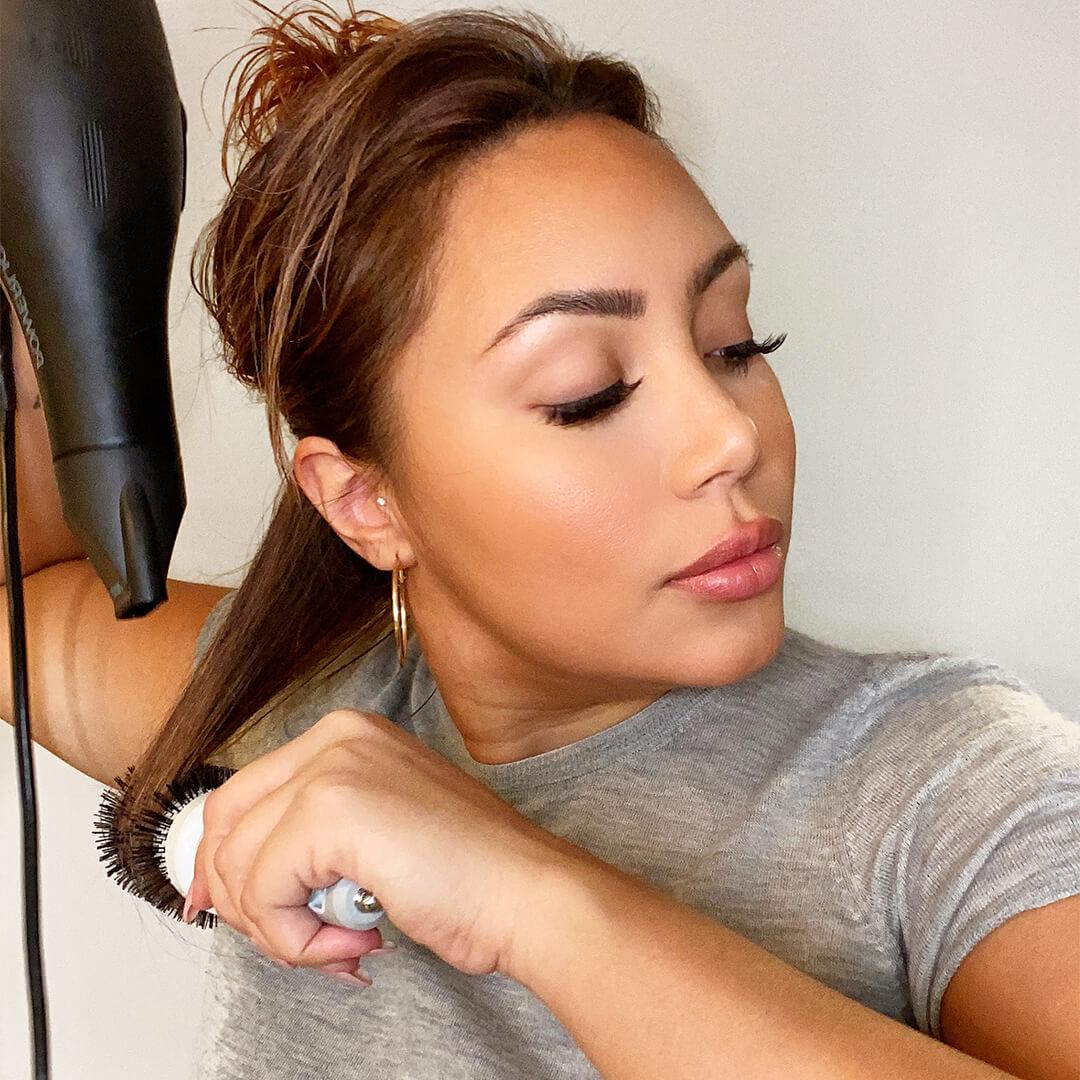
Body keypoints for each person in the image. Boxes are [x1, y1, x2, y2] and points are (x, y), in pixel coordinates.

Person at [2, 4, 1076, 1079]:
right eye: (588, 395)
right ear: (365, 501)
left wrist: (529, 896)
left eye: (735, 342)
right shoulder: (290, 706)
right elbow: (24, 590)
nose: (730, 436)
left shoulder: (950, 790)